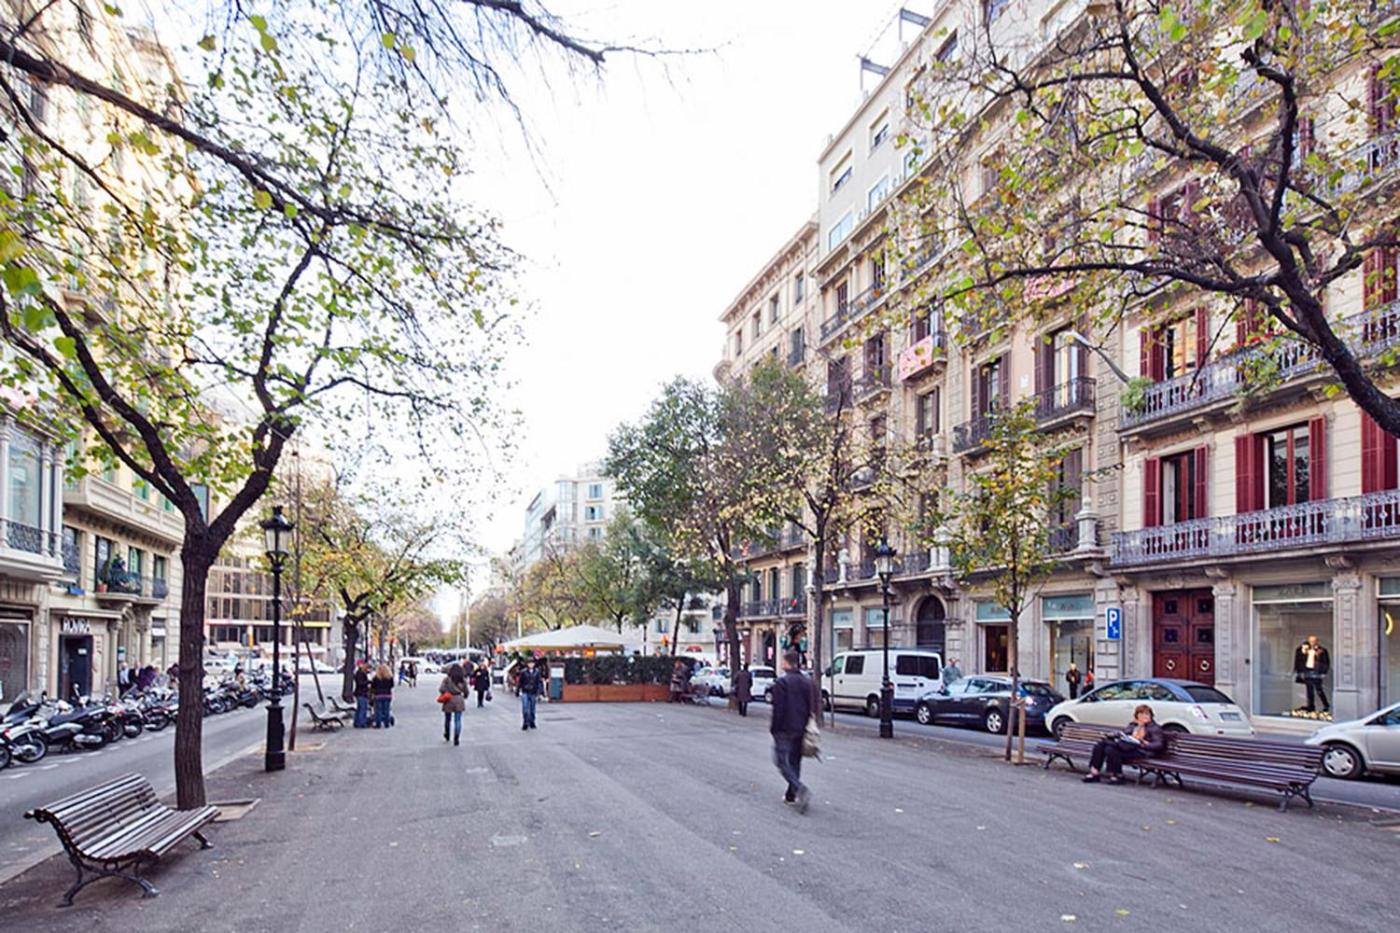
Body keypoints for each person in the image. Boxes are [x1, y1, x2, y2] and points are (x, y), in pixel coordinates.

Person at [770, 651, 817, 813]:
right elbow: (812, 705)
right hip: (801, 727)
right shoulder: (806, 682)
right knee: (795, 761)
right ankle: (791, 795)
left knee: (781, 761)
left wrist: (774, 728)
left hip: (784, 728)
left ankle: (799, 788)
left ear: (786, 663)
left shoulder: (782, 682)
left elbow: (778, 709)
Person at [1083, 704, 1166, 785]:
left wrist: (1143, 744)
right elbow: (1123, 733)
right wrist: (1115, 735)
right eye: (1141, 714)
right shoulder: (1134, 725)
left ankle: (1111, 775)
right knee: (1103, 746)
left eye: (1147, 714)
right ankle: (1100, 772)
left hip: (1143, 751)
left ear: (1151, 716)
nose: (1144, 716)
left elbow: (1158, 744)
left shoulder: (1154, 728)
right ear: (1137, 716)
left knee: (1109, 748)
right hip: (1128, 747)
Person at [1293, 635, 1331, 713]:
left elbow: (1326, 662)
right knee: (1309, 690)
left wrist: (1323, 672)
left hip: (1317, 673)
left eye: (1314, 641)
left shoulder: (1322, 650)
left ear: (1317, 641)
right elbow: (1299, 660)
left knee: (1319, 689)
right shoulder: (1304, 649)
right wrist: (1299, 671)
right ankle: (1311, 706)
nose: (1312, 643)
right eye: (1311, 641)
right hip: (1307, 671)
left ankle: (1325, 705)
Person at [439, 663, 469, 745]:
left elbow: (441, 689)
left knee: (447, 719)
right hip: (459, 699)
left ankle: (447, 734)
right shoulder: (462, 680)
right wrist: (465, 696)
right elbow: (466, 691)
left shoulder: (447, 679)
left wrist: (446, 692)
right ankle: (456, 737)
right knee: (458, 720)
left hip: (448, 699)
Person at [518, 658, 544, 730]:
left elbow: (539, 682)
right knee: (525, 708)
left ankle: (532, 721)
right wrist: (518, 690)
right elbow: (520, 682)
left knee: (532, 708)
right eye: (529, 663)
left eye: (532, 663)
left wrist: (540, 691)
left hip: (533, 692)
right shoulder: (523, 672)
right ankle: (525, 722)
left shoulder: (537, 672)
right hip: (525, 691)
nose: (531, 665)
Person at [370, 663, 395, 727]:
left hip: (378, 695)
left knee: (378, 710)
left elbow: (373, 686)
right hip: (387, 695)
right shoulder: (389, 677)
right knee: (386, 710)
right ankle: (387, 723)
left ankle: (378, 724)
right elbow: (392, 685)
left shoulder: (376, 678)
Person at [352, 661, 372, 728]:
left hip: (360, 693)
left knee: (360, 708)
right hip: (361, 693)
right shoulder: (360, 673)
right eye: (368, 669)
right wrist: (368, 682)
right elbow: (360, 683)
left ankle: (357, 722)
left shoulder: (359, 673)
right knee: (363, 708)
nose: (369, 670)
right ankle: (362, 723)